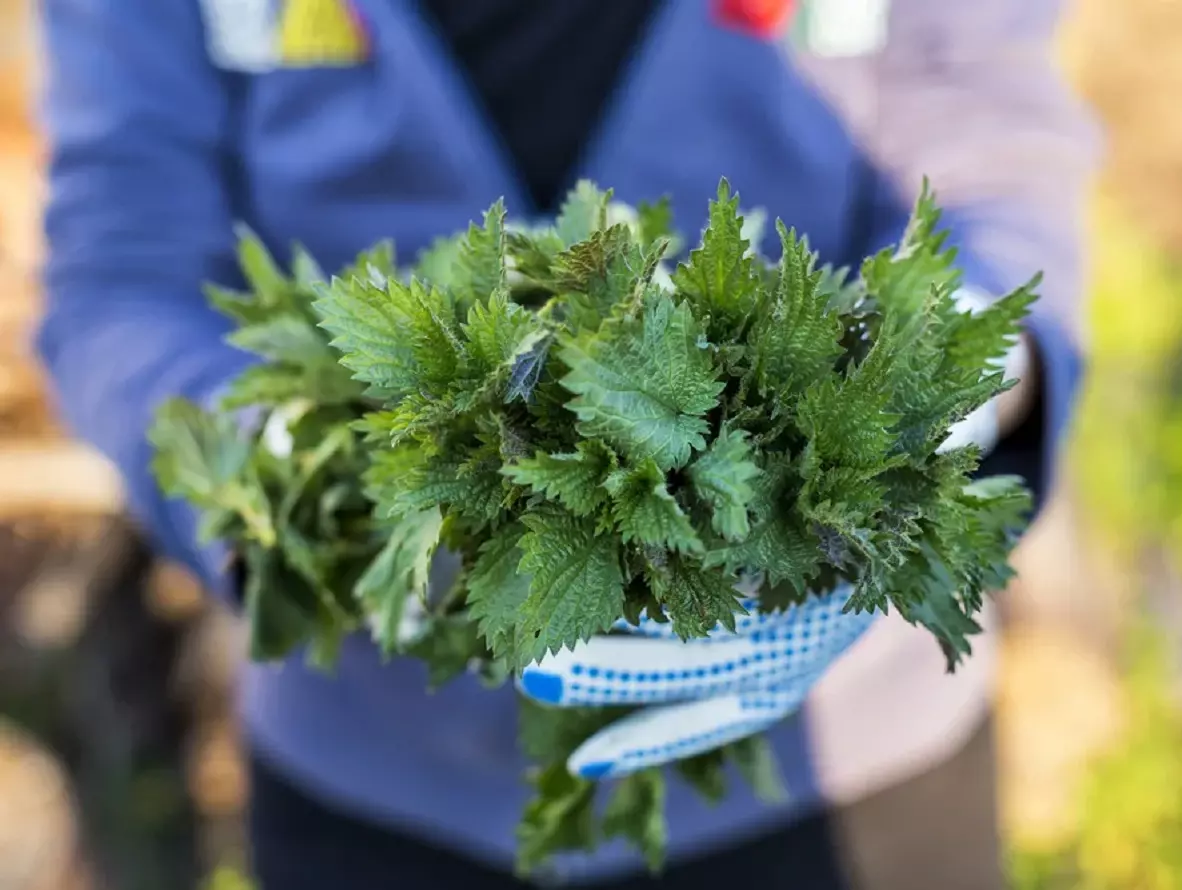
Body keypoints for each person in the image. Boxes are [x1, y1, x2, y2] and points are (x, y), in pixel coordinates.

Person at [36, 1, 1096, 887]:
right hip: (382, 777)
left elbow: (993, 177)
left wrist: (941, 382)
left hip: (842, 762)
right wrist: (291, 488)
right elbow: (124, 270)